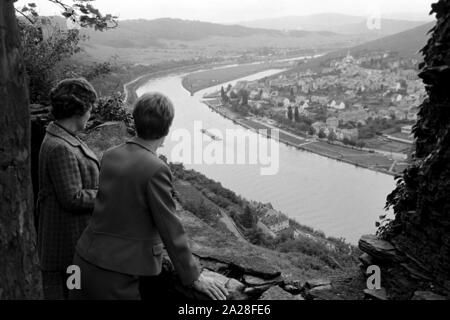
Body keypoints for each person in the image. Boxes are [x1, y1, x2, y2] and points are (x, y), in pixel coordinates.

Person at [70, 93, 228, 300]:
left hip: (80, 262)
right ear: (168, 127)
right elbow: (170, 227)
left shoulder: (111, 154)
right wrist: (192, 276)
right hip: (114, 273)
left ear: (134, 120)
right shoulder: (155, 169)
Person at [37, 78, 100, 299]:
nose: (90, 115)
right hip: (68, 245)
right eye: (90, 109)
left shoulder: (61, 138)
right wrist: (109, 194)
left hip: (71, 241)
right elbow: (72, 198)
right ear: (79, 110)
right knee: (73, 294)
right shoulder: (60, 147)